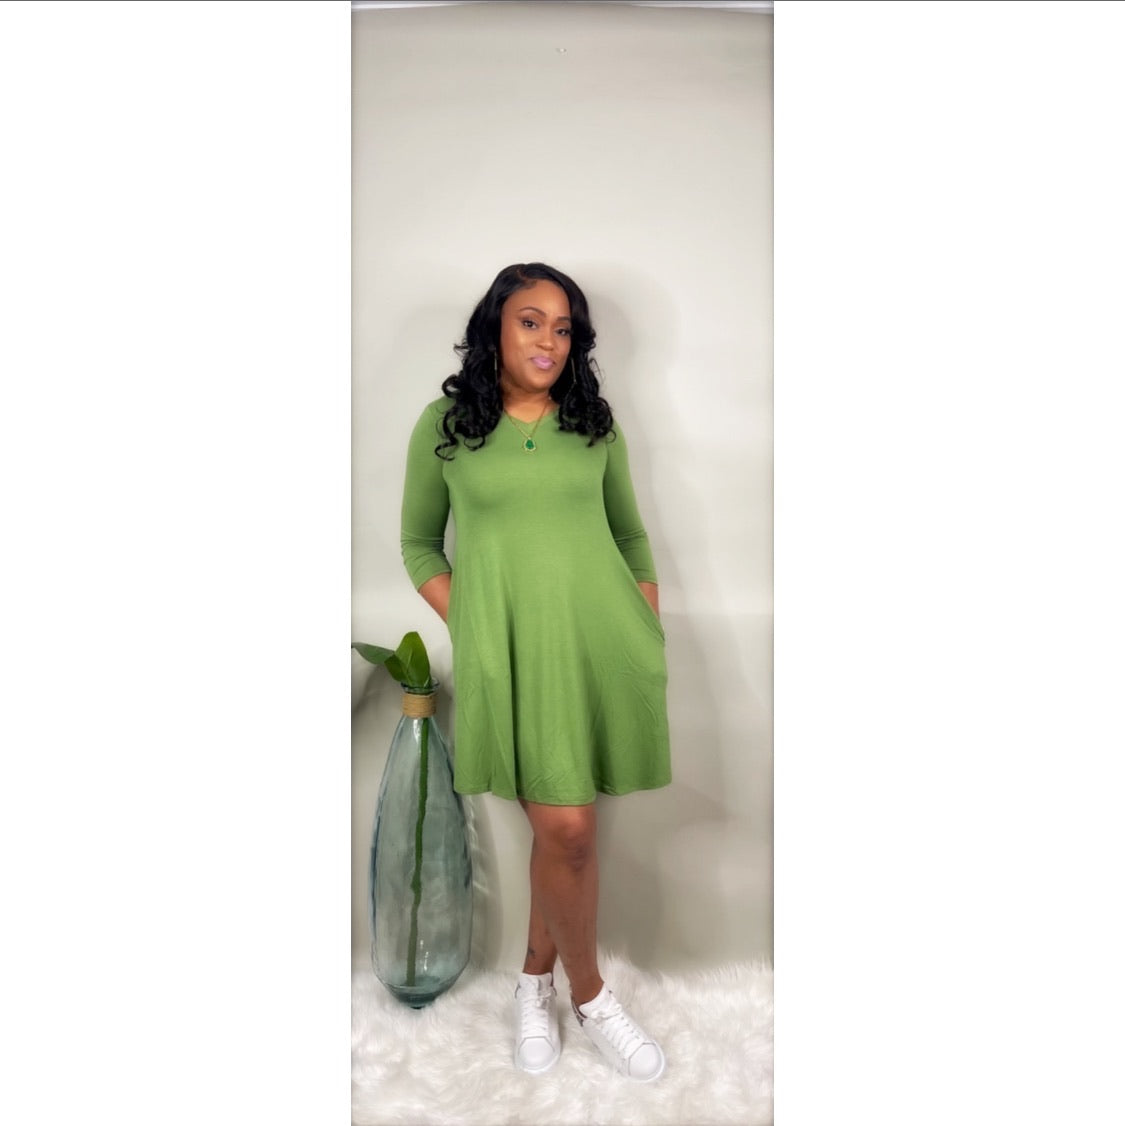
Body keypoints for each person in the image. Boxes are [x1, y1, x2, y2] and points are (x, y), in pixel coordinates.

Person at [400, 262, 671, 1082]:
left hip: (599, 648)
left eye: (562, 328)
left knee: (564, 835)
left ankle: (532, 985)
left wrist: (643, 623)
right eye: (530, 321)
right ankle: (591, 998)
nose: (548, 341)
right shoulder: (445, 425)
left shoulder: (594, 425)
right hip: (510, 655)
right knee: (569, 832)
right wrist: (472, 624)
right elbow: (418, 545)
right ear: (494, 326)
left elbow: (630, 538)